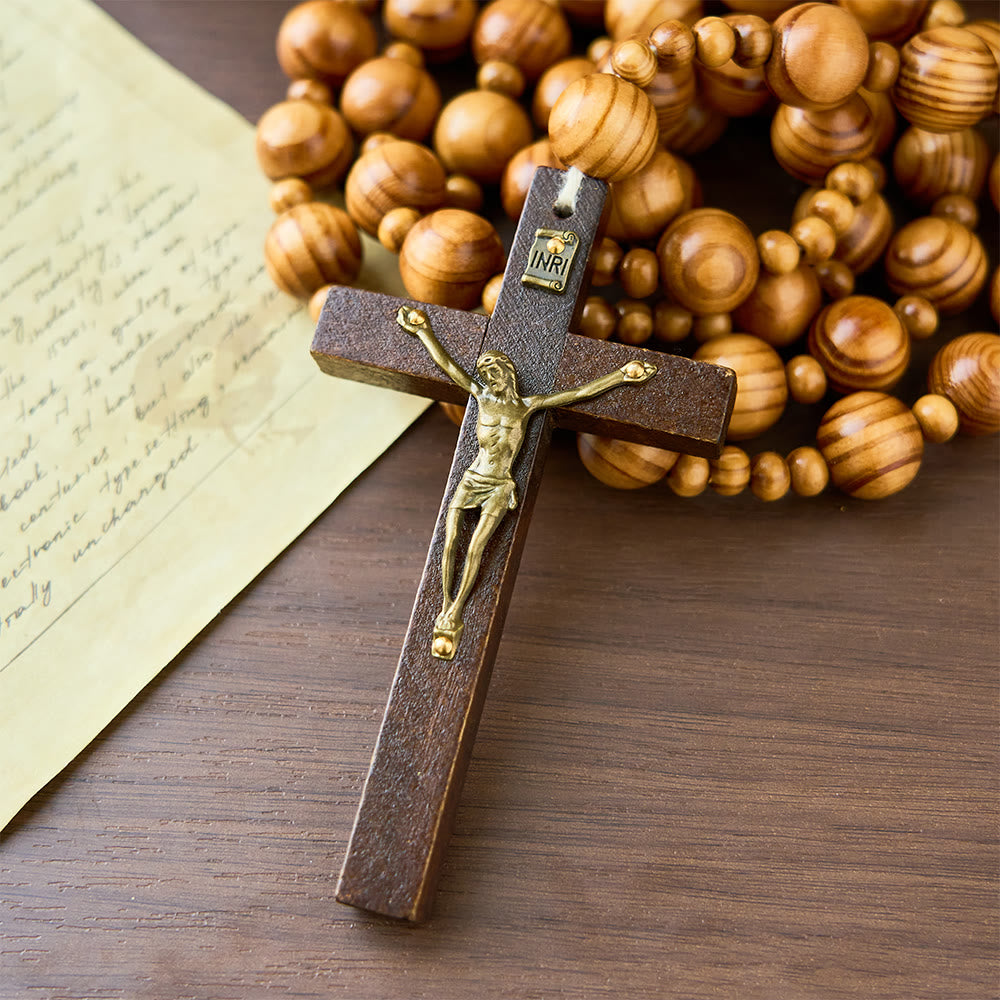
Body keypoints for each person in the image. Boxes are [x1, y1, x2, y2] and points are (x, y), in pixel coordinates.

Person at [396, 306, 657, 660]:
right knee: (451, 539)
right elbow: (448, 366)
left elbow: (578, 393)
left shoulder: (527, 406)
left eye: (494, 372)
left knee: (476, 547)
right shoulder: (481, 397)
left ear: (507, 372)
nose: (490, 379)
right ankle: (443, 605)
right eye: (485, 374)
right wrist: (423, 330)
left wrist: (621, 376)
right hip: (472, 478)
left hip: (500, 484)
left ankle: (455, 612)